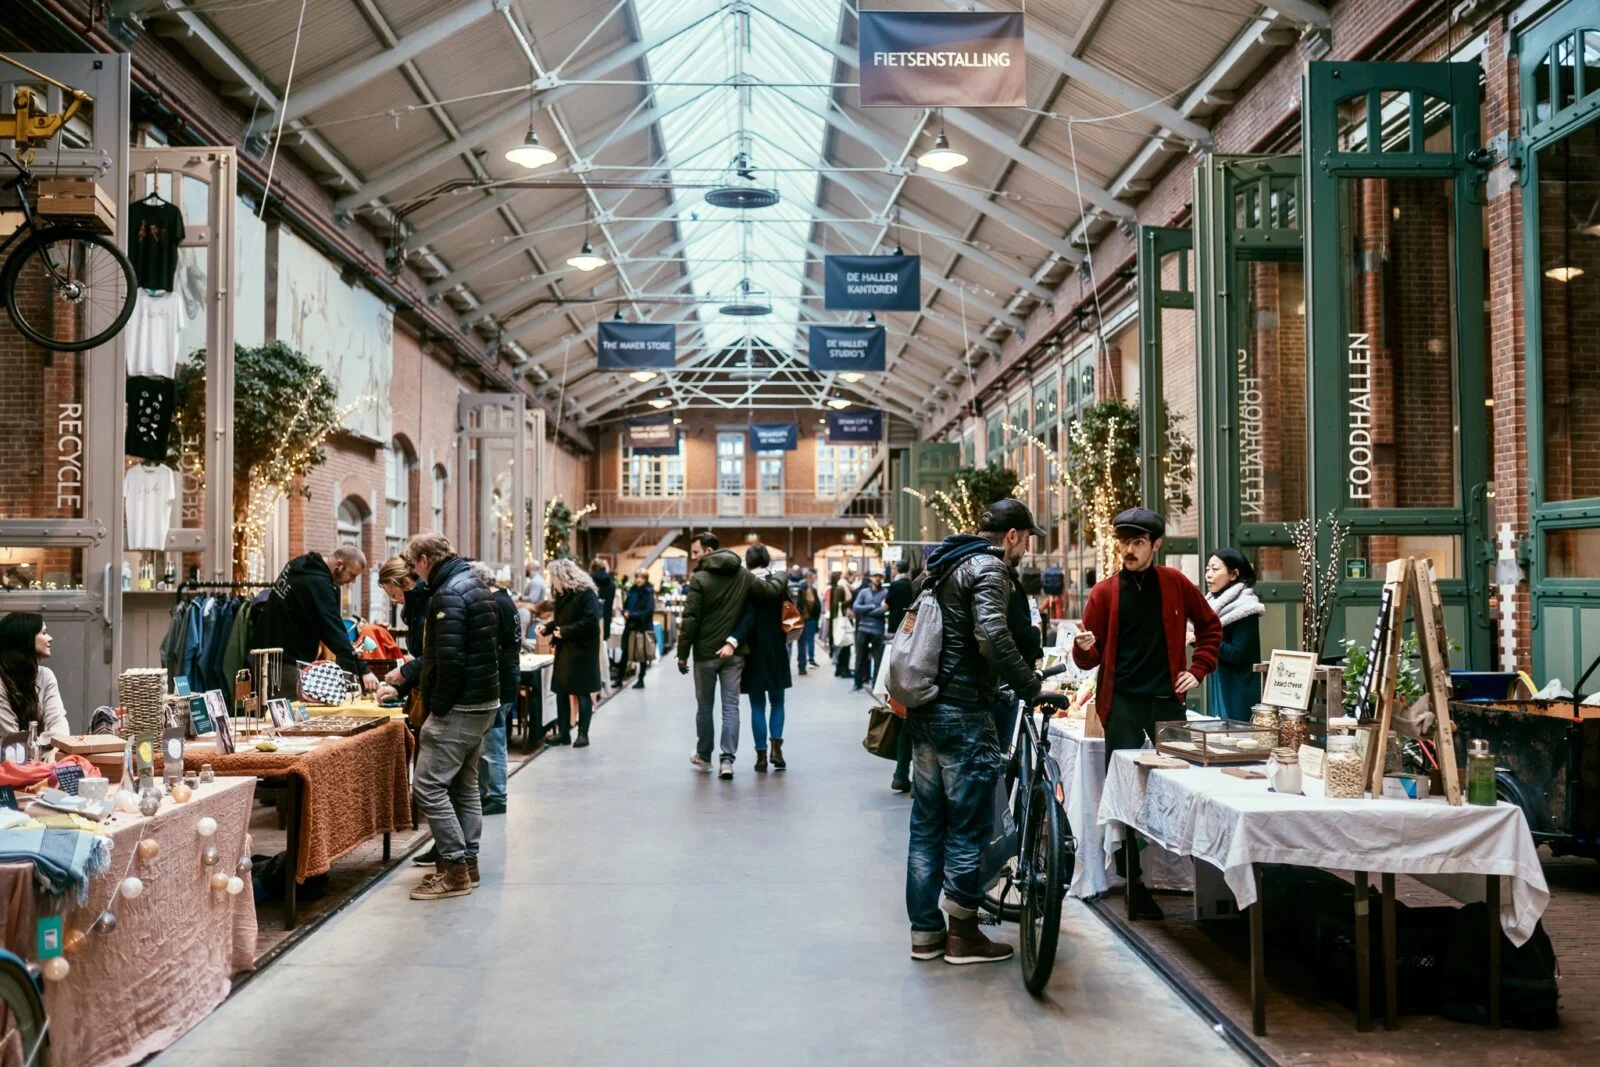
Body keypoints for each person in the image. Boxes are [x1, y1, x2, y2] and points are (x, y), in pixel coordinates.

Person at [905, 499, 1049, 965]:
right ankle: (962, 936)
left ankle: (925, 933)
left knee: (927, 825)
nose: (1026, 549)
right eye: (1026, 539)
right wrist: (1032, 686)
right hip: (963, 712)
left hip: (926, 709)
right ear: (1011, 536)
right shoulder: (987, 569)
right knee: (967, 827)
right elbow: (991, 636)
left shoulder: (944, 565)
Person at [1072, 507, 1222, 920]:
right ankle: (1132, 880)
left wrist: (1198, 669)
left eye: (1138, 542)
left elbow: (1211, 628)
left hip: (1166, 704)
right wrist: (1084, 648)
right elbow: (1088, 660)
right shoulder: (1104, 593)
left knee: (1175, 790)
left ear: (1156, 545)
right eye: (1124, 541)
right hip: (1119, 704)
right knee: (1123, 794)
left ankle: (1182, 877)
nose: (1129, 550)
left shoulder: (1175, 584)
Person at [403, 533, 501, 901]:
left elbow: (450, 660)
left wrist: (438, 707)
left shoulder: (448, 594)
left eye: (415, 565)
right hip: (482, 703)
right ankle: (467, 864)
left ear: (426, 559)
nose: (415, 573)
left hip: (459, 706)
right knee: (463, 785)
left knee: (426, 785)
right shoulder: (475, 584)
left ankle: (456, 869)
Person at [676, 532, 785, 779]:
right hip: (734, 653)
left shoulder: (700, 578)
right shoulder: (743, 575)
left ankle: (704, 756)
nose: (693, 557)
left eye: (695, 552)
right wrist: (781, 575)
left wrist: (683, 654)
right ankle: (727, 760)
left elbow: (690, 619)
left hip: (705, 653)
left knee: (704, 707)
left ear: (707, 551)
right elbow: (769, 592)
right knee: (731, 707)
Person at [255, 545, 378, 694]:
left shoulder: (299, 564)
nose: (352, 581)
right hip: (285, 663)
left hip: (267, 655)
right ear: (339, 565)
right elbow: (334, 631)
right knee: (293, 712)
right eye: (352, 575)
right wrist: (363, 671)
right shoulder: (318, 584)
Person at [729, 544, 792, 773]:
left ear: (748, 561)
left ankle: (761, 756)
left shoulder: (744, 585)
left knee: (757, 706)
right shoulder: (779, 582)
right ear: (767, 560)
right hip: (776, 647)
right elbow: (790, 610)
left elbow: (742, 616)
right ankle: (777, 750)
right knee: (778, 702)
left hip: (752, 650)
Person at [469, 561, 520, 815]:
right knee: (492, 741)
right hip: (507, 678)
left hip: (499, 683)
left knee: (493, 742)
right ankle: (490, 792)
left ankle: (497, 796)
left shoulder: (494, 605)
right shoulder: (505, 601)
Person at [545, 560, 603, 747]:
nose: (552, 581)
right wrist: (546, 629)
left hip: (582, 651)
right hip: (565, 651)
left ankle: (583, 734)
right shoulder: (563, 595)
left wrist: (565, 632)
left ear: (563, 577)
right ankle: (563, 733)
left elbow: (591, 621)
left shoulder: (586, 594)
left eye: (554, 577)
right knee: (561, 692)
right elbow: (560, 621)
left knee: (582, 692)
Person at [1205, 548, 1264, 722]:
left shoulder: (1245, 608)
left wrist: (1205, 637)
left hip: (1239, 690)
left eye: (1215, 570)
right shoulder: (1212, 605)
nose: (1209, 575)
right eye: (1207, 569)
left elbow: (1237, 654)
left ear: (1234, 574)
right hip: (1221, 684)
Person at [0, 613, 69, 742]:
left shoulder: (45, 676)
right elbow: (12, 741)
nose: (50, 638)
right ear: (25, 638)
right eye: (43, 633)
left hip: (37, 755)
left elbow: (60, 728)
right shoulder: (1, 682)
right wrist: (46, 741)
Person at [852, 571, 889, 692]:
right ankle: (857, 683)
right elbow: (856, 607)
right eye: (875, 576)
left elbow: (884, 611)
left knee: (877, 658)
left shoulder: (885, 593)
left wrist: (866, 611)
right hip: (863, 628)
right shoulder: (864, 592)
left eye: (879, 576)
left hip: (878, 629)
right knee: (860, 657)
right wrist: (872, 607)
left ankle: (875, 684)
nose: (877, 578)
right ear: (871, 578)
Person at [620, 569, 657, 690]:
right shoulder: (632, 590)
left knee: (642, 654)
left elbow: (649, 610)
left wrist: (632, 615)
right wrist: (624, 612)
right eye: (637, 577)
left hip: (642, 627)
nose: (638, 580)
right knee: (625, 651)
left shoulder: (648, 592)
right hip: (630, 626)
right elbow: (625, 606)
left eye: (641, 577)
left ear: (646, 579)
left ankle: (641, 679)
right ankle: (619, 679)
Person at [801, 567, 822, 670]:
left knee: (805, 641)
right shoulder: (809, 589)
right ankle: (810, 660)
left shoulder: (803, 587)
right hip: (810, 618)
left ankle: (805, 661)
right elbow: (812, 603)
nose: (814, 580)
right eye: (813, 578)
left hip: (808, 618)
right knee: (809, 640)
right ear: (809, 578)